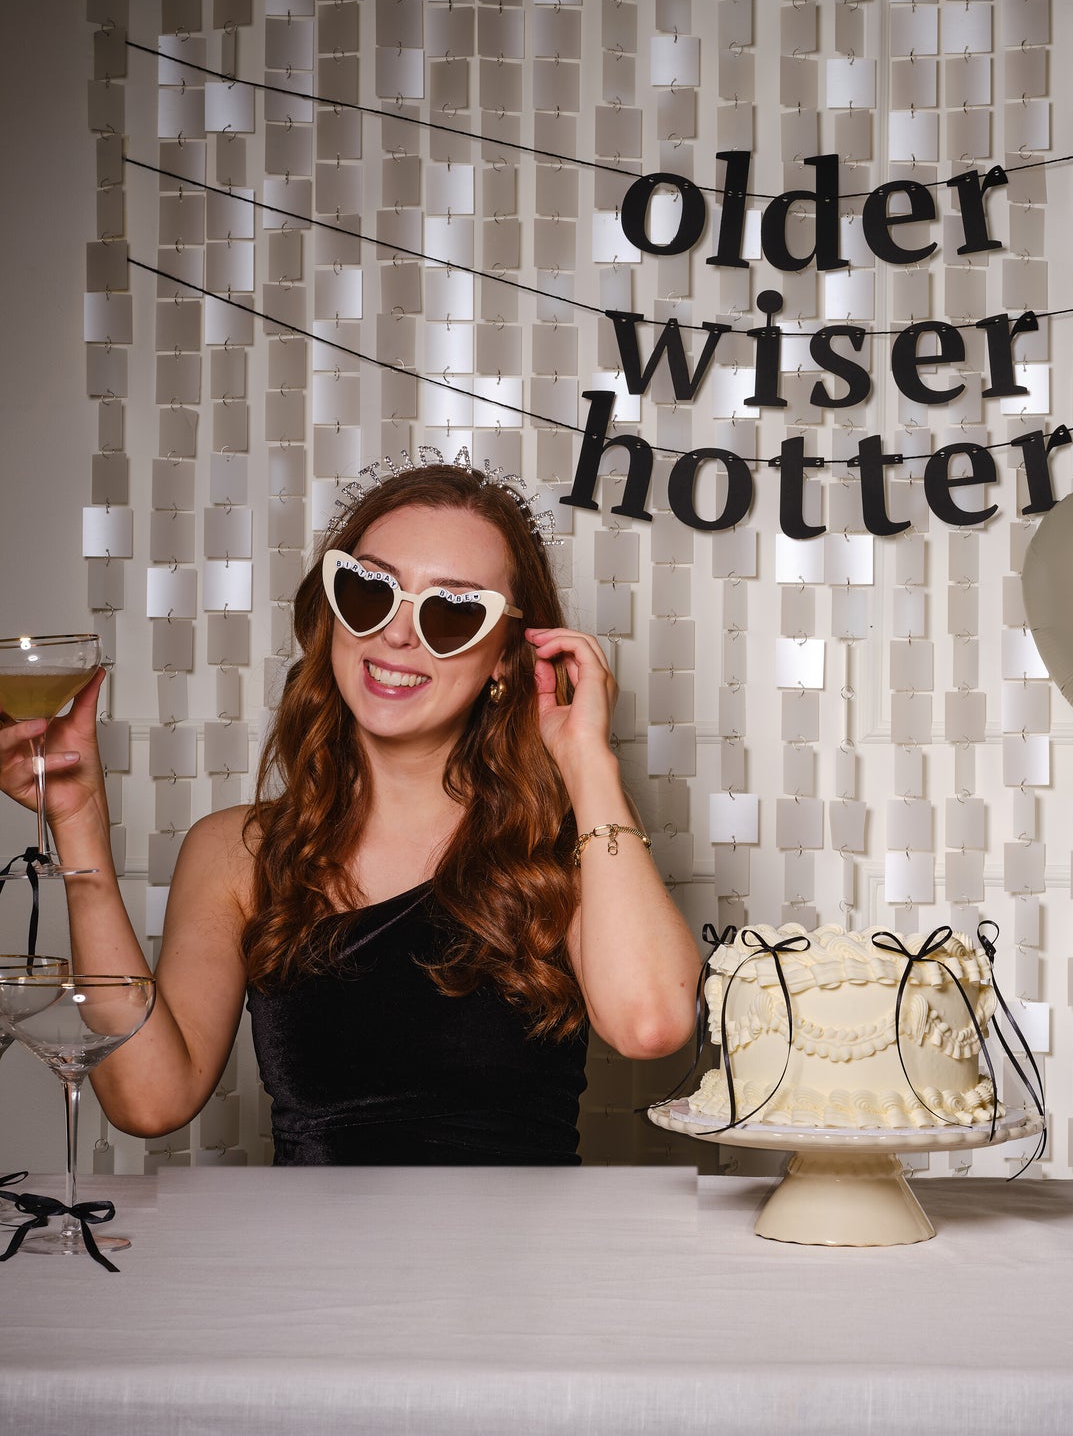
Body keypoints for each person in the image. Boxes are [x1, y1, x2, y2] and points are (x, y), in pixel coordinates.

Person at [0, 454, 699, 1164]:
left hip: (520, 1272)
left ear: (506, 658)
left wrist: (586, 760)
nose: (397, 634)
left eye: (452, 611)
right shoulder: (238, 852)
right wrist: (78, 819)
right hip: (310, 1272)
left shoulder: (568, 850)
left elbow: (651, 1024)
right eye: (369, 590)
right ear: (331, 609)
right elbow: (150, 1102)